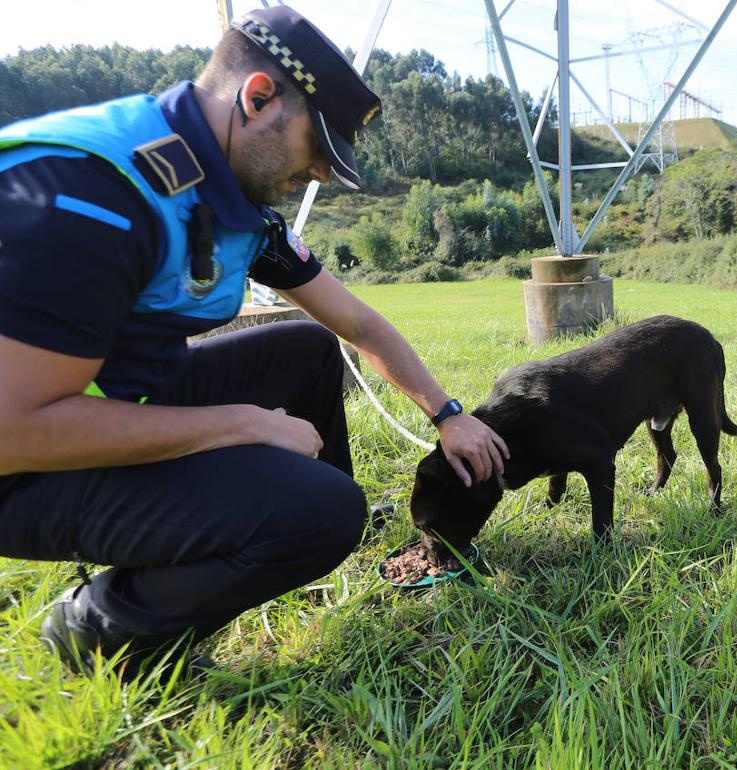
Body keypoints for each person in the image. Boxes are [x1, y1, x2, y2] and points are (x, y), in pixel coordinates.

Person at [0, 5, 508, 678]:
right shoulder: (90, 199)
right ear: (258, 95)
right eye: (317, 148)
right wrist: (240, 426)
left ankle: (284, 514)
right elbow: (15, 431)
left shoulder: (221, 190)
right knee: (322, 512)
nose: (322, 173)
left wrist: (448, 414)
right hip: (22, 468)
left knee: (304, 346)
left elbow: (354, 323)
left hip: (107, 397)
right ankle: (96, 628)